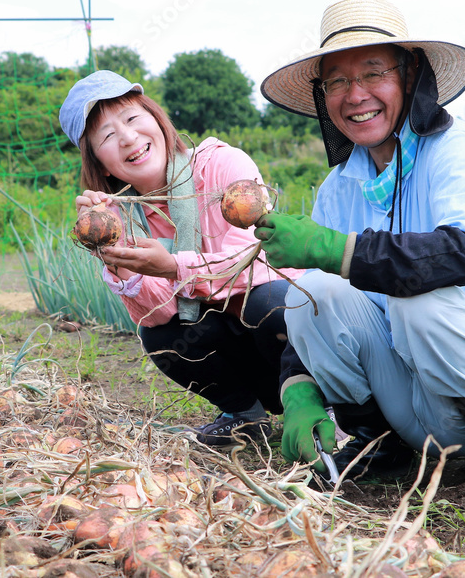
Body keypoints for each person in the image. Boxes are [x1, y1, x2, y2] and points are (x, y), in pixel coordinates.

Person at [254, 0, 465, 490]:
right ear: (323, 95)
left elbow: (460, 255)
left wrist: (333, 249)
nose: (355, 95)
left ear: (410, 74)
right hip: (417, 403)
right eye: (337, 80)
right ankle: (379, 441)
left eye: (373, 73)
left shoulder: (454, 148)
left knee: (414, 294)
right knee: (311, 291)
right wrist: (296, 388)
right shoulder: (338, 187)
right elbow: (315, 297)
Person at [59, 70, 303, 447]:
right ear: (102, 164)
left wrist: (174, 266)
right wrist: (113, 251)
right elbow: (156, 314)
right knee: (162, 337)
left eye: (132, 118)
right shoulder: (120, 216)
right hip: (246, 348)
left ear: (157, 119)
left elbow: (255, 264)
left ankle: (328, 404)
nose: (128, 137)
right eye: (107, 136)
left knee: (267, 302)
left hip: (290, 333)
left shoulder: (221, 166)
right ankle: (245, 416)